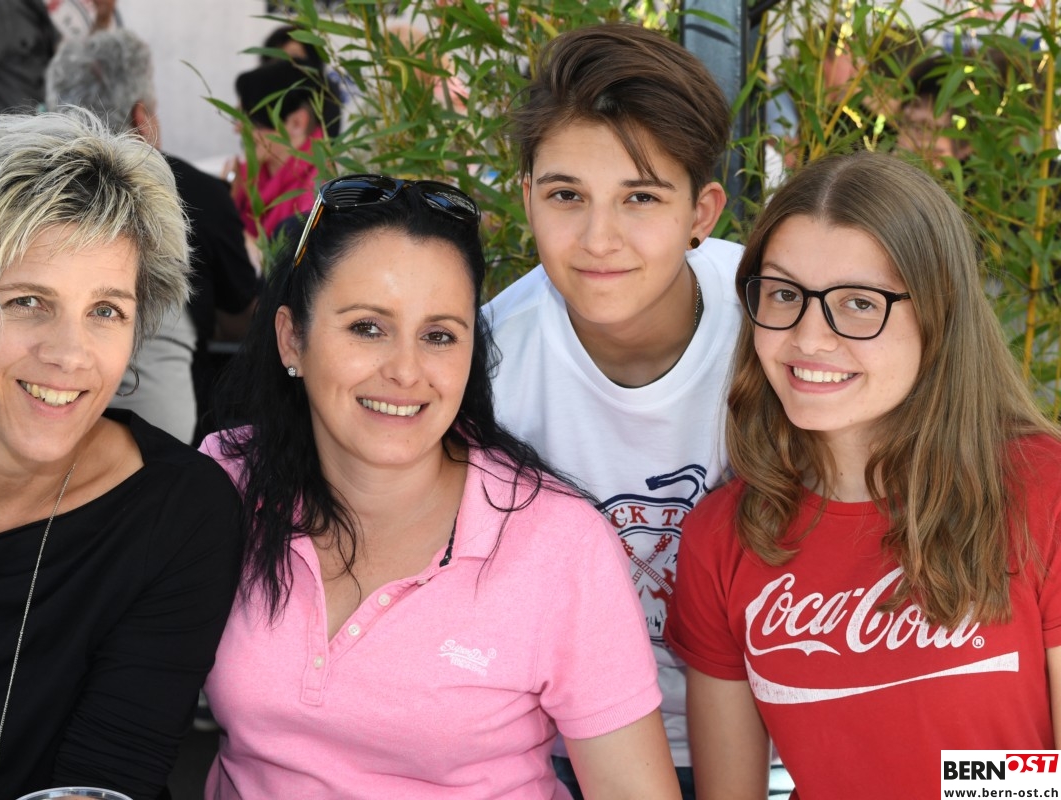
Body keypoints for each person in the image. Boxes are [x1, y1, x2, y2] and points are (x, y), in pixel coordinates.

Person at [199, 173, 680, 799]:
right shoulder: (225, 485)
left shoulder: (559, 544)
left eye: (439, 336)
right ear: (293, 339)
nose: (406, 371)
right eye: (367, 327)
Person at [0, 110, 244, 799]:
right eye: (29, 301)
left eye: (105, 310)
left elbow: (109, 775)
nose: (69, 354)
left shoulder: (180, 513)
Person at [666, 151, 1061, 799]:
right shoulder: (722, 536)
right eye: (785, 294)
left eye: (857, 303)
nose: (810, 338)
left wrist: (967, 784)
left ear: (938, 312)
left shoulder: (1043, 493)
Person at [484, 22, 743, 798]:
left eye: (640, 198)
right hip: (560, 745)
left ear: (702, 211)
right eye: (567, 196)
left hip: (769, 730)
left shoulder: (778, 328)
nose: (599, 239)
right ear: (527, 198)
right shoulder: (486, 362)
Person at [46, 28, 258, 443]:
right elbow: (240, 321)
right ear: (141, 119)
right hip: (162, 439)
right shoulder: (192, 193)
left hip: (38, 422)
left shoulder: (22, 193)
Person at [0, 0, 116, 124]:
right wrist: (7, 150)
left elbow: (80, 78)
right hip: (2, 163)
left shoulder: (47, 11)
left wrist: (101, 19)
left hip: (33, 155)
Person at [226, 59, 323, 243]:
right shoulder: (245, 174)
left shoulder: (319, 193)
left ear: (296, 123)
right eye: (237, 117)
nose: (237, 128)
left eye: (250, 120)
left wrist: (224, 214)